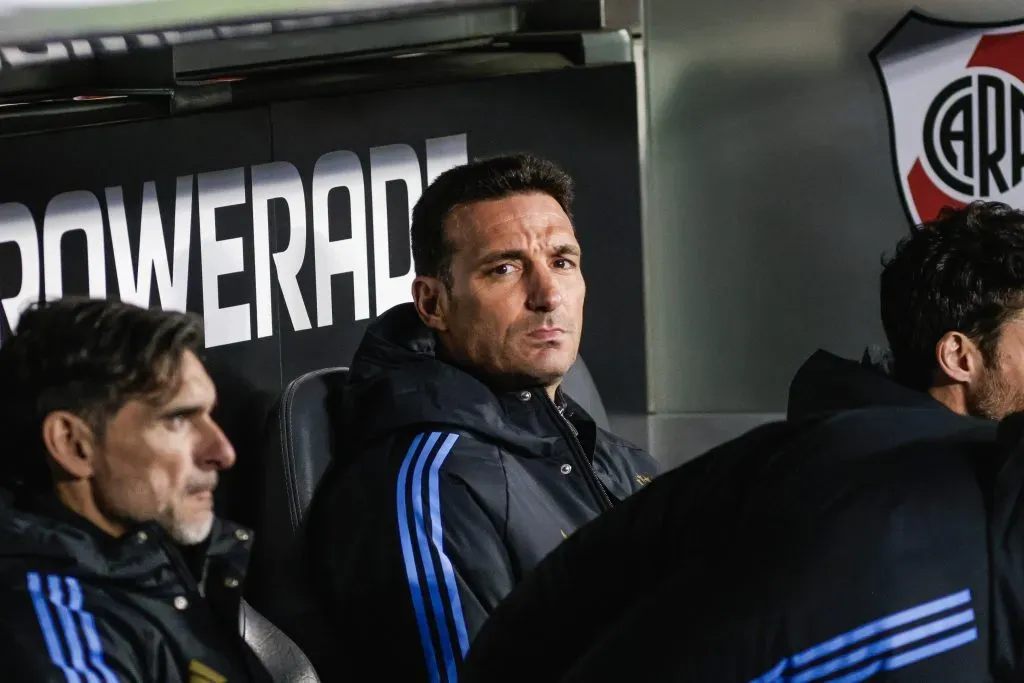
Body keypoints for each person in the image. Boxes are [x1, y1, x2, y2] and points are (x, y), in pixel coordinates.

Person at [459, 201, 1024, 682]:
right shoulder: (881, 531)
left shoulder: (919, 480)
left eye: (562, 262)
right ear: (959, 357)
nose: (546, 292)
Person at [305, 153, 661, 680]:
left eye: (562, 262)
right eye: (505, 269)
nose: (547, 296)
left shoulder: (614, 458)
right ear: (432, 304)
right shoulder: (425, 485)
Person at [0, 298, 281, 682]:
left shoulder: (154, 563)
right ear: (72, 444)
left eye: (209, 415)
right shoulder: (54, 632)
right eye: (178, 419)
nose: (222, 452)